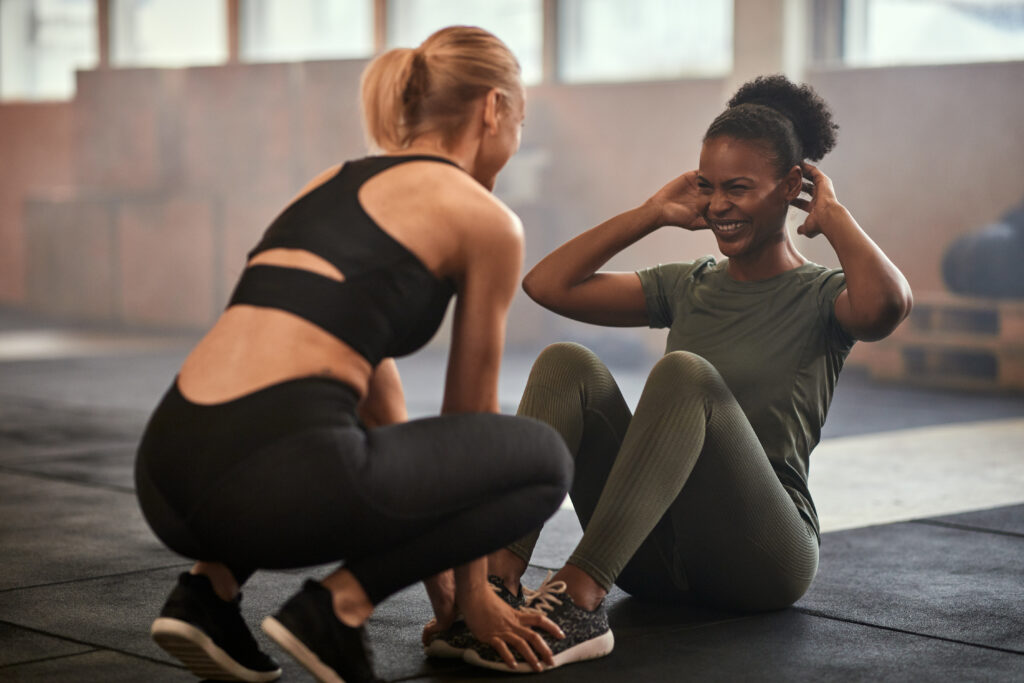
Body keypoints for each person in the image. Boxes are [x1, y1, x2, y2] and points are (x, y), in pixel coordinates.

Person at [134, 26, 572, 683]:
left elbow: (379, 395)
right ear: (493, 108)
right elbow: (469, 418)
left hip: (164, 474)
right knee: (540, 460)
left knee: (299, 423)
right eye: (521, 117)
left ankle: (207, 595)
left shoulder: (330, 183)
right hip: (271, 493)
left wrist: (443, 593)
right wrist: (476, 599)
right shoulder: (486, 219)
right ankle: (335, 609)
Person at [436, 75, 913, 672]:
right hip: (651, 560)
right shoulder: (689, 283)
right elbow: (547, 285)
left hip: (763, 560)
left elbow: (887, 306)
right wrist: (651, 213)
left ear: (792, 186)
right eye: (709, 187)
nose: (717, 206)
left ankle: (580, 600)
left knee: (685, 374)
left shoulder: (822, 297)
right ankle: (496, 584)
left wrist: (832, 213)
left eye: (738, 188)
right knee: (567, 363)